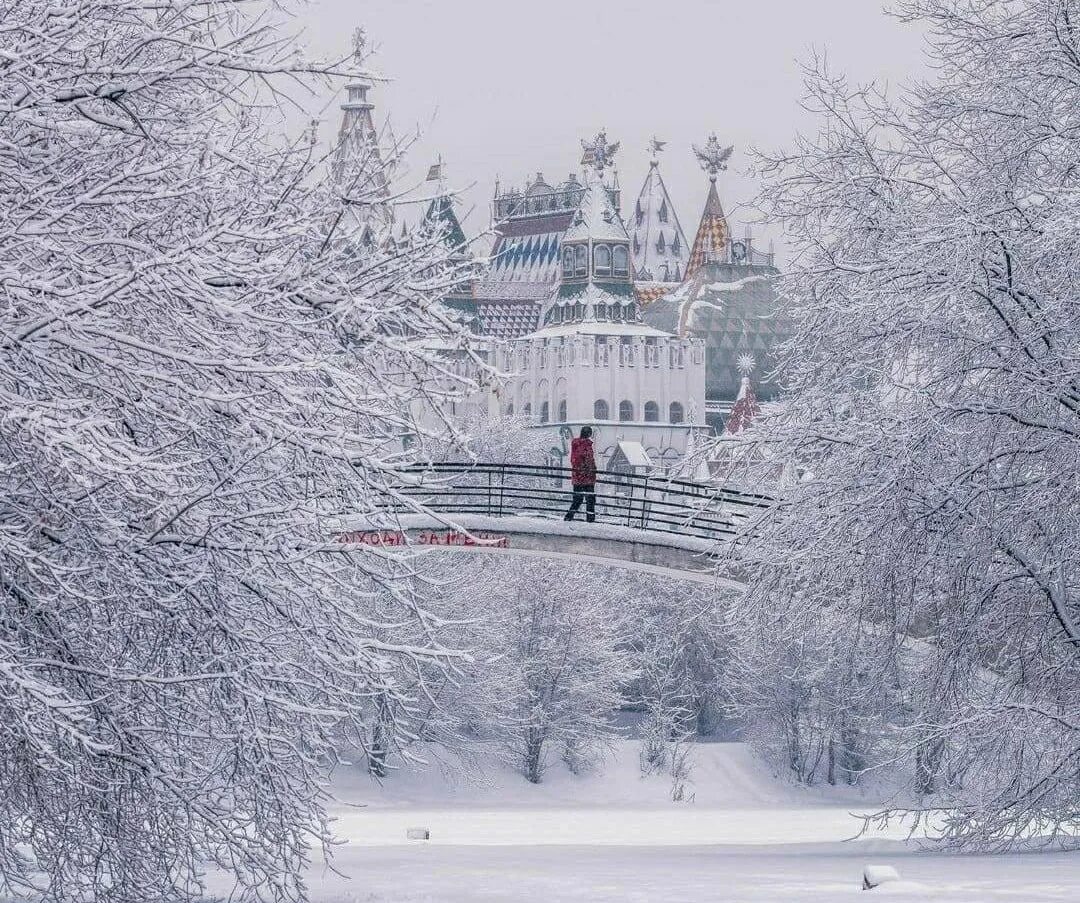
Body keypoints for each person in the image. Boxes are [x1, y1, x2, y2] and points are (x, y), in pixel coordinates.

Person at [564, 425, 597, 522]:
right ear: (589, 434)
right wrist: (591, 469)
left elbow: (575, 460)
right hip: (587, 477)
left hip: (578, 477)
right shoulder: (586, 445)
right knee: (590, 500)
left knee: (578, 500)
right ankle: (590, 520)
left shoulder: (576, 444)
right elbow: (589, 459)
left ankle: (568, 517)